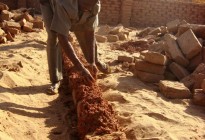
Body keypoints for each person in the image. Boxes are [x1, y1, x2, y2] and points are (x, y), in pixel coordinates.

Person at [39, 0, 110, 94]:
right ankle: (55, 81)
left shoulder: (94, 5)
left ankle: (95, 61)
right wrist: (81, 68)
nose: (87, 8)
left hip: (72, 7)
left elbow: (90, 32)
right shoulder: (65, 4)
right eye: (85, 4)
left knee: (83, 30)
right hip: (49, 3)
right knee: (53, 36)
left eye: (90, 6)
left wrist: (91, 62)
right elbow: (62, 37)